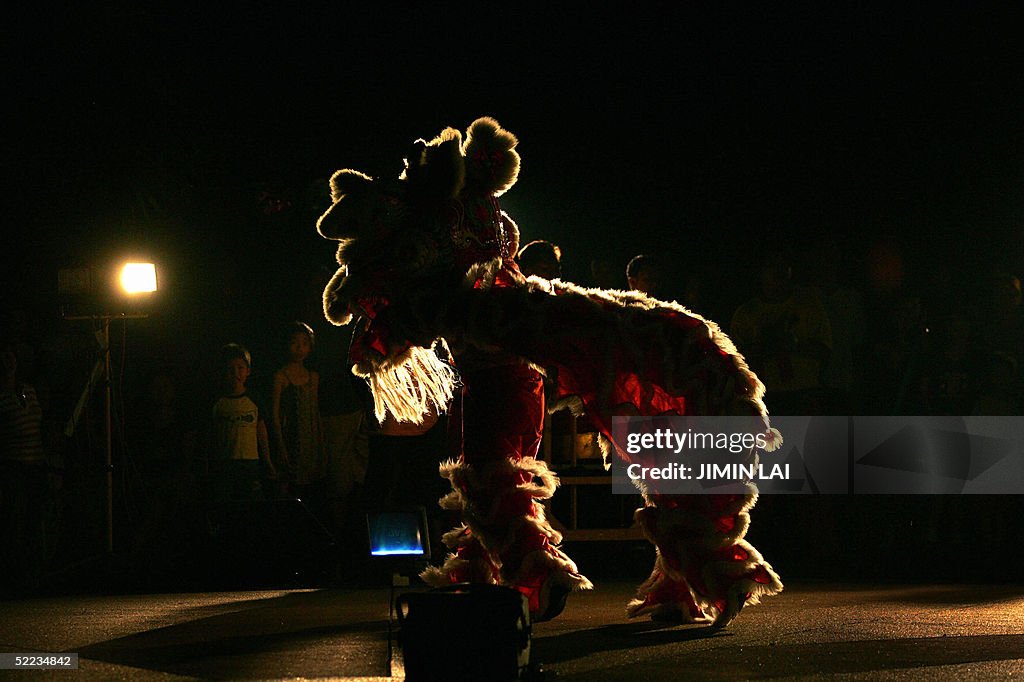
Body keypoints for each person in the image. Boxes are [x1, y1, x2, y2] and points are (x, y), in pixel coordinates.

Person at [314, 117, 782, 627]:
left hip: (503, 368)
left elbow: (417, 288)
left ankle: (537, 576)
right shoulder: (476, 223)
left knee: (493, 474)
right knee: (491, 472)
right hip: (508, 364)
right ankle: (510, 573)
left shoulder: (452, 228)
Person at [207, 344, 274, 522]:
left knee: (252, 506)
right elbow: (211, 433)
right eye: (230, 368)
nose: (235, 373)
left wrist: (267, 461)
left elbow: (261, 431)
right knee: (223, 507)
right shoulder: (217, 401)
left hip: (250, 462)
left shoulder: (254, 399)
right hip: (224, 463)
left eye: (240, 368)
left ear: (248, 371)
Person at [270, 322, 327, 505]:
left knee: (311, 491)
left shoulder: (313, 377)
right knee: (288, 490)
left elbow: (315, 414)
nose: (299, 348)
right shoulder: (281, 376)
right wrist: (281, 446)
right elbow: (275, 415)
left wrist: (320, 445)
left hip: (311, 443)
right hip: (291, 440)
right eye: (295, 343)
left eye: (304, 343)